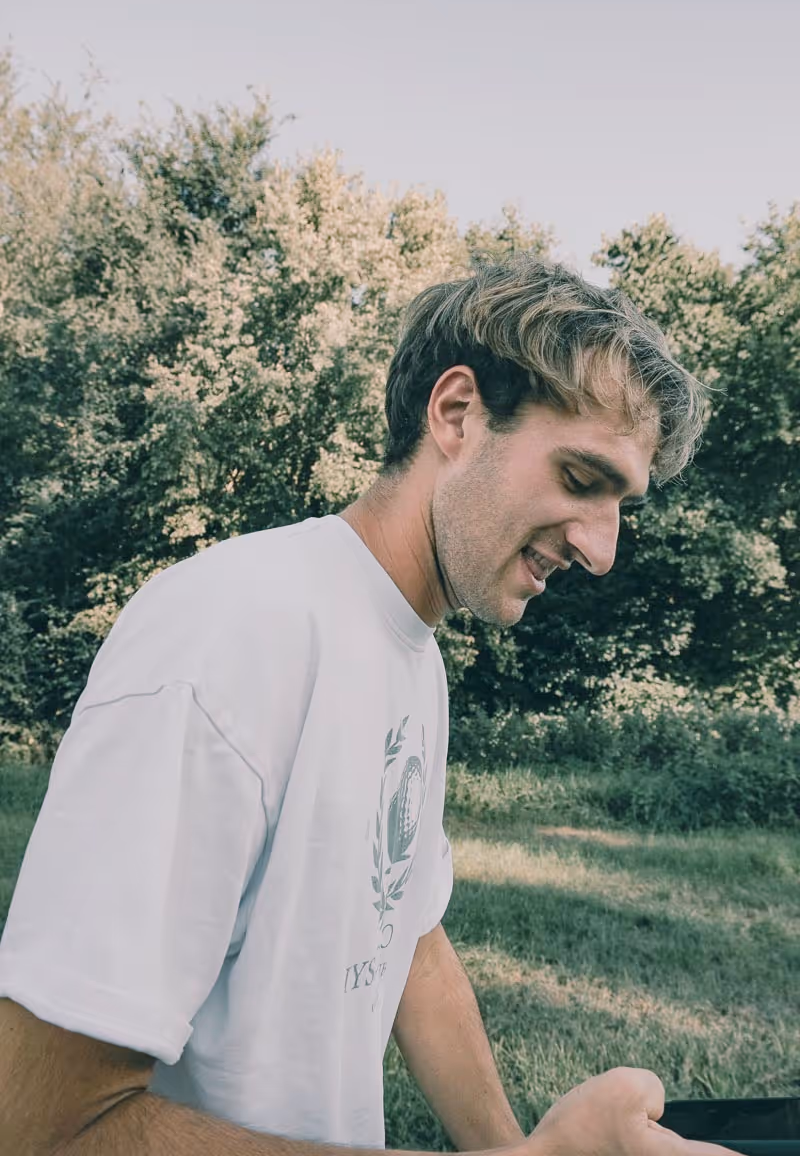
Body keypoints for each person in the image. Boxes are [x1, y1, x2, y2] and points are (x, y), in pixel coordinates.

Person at [0, 255, 734, 1156]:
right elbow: (45, 1125)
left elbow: (408, 942)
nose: (601, 548)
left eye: (622, 502)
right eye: (583, 480)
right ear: (457, 414)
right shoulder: (228, 631)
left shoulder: (409, 650)